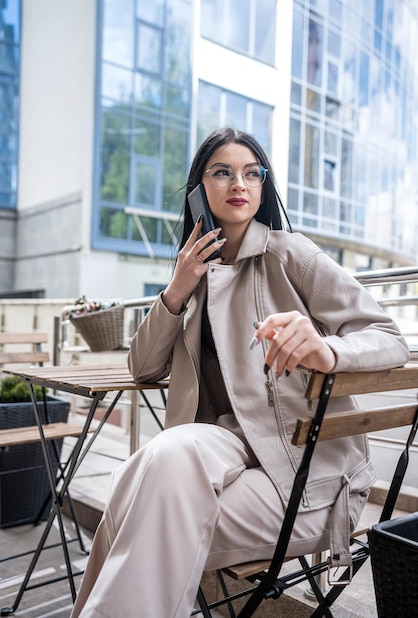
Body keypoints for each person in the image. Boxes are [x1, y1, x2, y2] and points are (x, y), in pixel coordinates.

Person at [71, 128, 409, 618]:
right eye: (223, 172)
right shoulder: (196, 276)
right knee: (166, 453)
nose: (240, 183)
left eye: (253, 173)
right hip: (227, 452)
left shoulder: (289, 253)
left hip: (304, 479)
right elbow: (142, 366)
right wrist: (177, 287)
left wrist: (326, 350)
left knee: (140, 510)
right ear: (198, 191)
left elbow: (388, 336)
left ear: (263, 186)